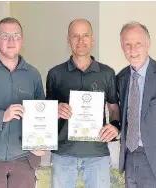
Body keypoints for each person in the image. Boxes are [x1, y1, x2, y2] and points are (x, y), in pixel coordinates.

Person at [46, 18, 120, 188]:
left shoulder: (107, 73)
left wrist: (115, 125)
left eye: (85, 36)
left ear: (92, 39)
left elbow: (114, 107)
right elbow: (46, 114)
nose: (80, 41)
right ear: (68, 39)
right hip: (63, 154)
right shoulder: (55, 73)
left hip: (97, 154)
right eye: (75, 36)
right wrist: (55, 110)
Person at [0, 17, 46, 188]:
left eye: (16, 36)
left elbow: (40, 116)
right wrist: (1, 117)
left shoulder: (33, 74)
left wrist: (41, 144)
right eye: (5, 36)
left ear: (22, 40)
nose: (11, 41)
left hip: (24, 161)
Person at [117, 21, 156, 188]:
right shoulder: (121, 78)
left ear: (148, 44)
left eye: (138, 43)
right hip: (130, 159)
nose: (133, 50)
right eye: (127, 44)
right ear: (122, 46)